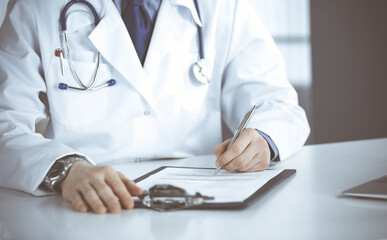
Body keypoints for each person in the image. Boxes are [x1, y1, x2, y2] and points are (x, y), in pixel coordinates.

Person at [0, 0, 310, 214]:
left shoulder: (222, 7)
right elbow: (4, 123)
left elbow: (278, 103)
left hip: (201, 204)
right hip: (86, 204)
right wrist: (66, 170)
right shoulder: (38, 7)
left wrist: (264, 139)